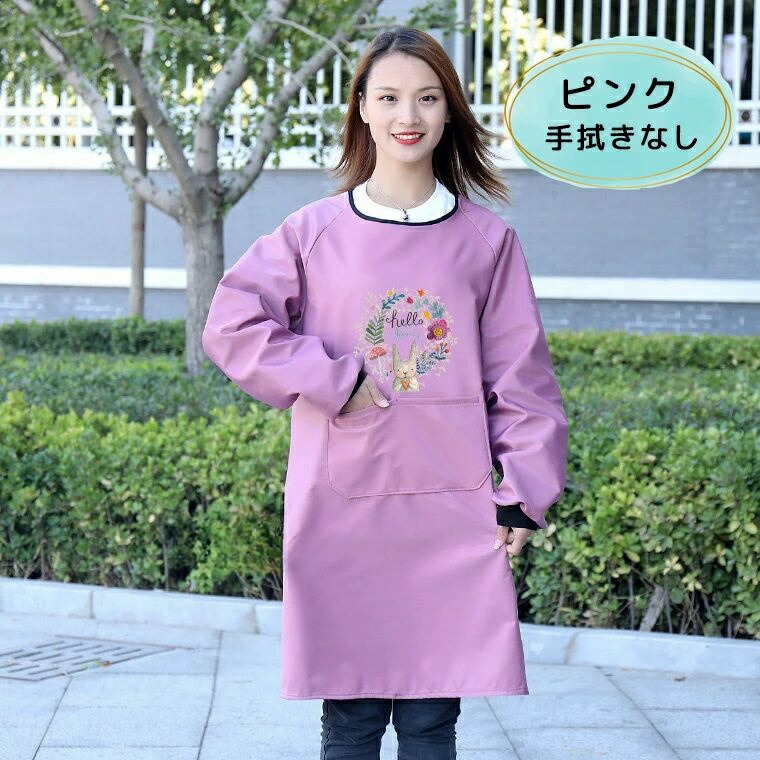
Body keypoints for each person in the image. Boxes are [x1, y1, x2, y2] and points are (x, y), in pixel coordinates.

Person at [201, 25, 568, 760]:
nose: (409, 115)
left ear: (449, 111)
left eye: (428, 98)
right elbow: (232, 324)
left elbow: (523, 379)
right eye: (391, 97)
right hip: (343, 511)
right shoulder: (312, 233)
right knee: (352, 719)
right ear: (362, 108)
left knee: (433, 721)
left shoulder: (486, 242)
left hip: (453, 511)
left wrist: (522, 492)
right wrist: (338, 381)